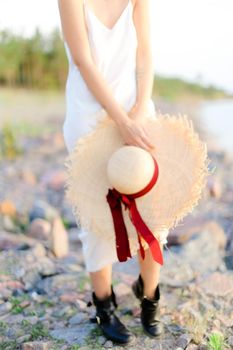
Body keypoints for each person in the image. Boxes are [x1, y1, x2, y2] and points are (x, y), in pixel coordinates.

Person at [58, 0, 169, 344]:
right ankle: (103, 303)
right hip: (89, 115)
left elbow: (146, 53)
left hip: (137, 111)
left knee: (153, 210)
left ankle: (150, 295)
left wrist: (138, 110)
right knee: (96, 213)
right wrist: (119, 120)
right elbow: (83, 60)